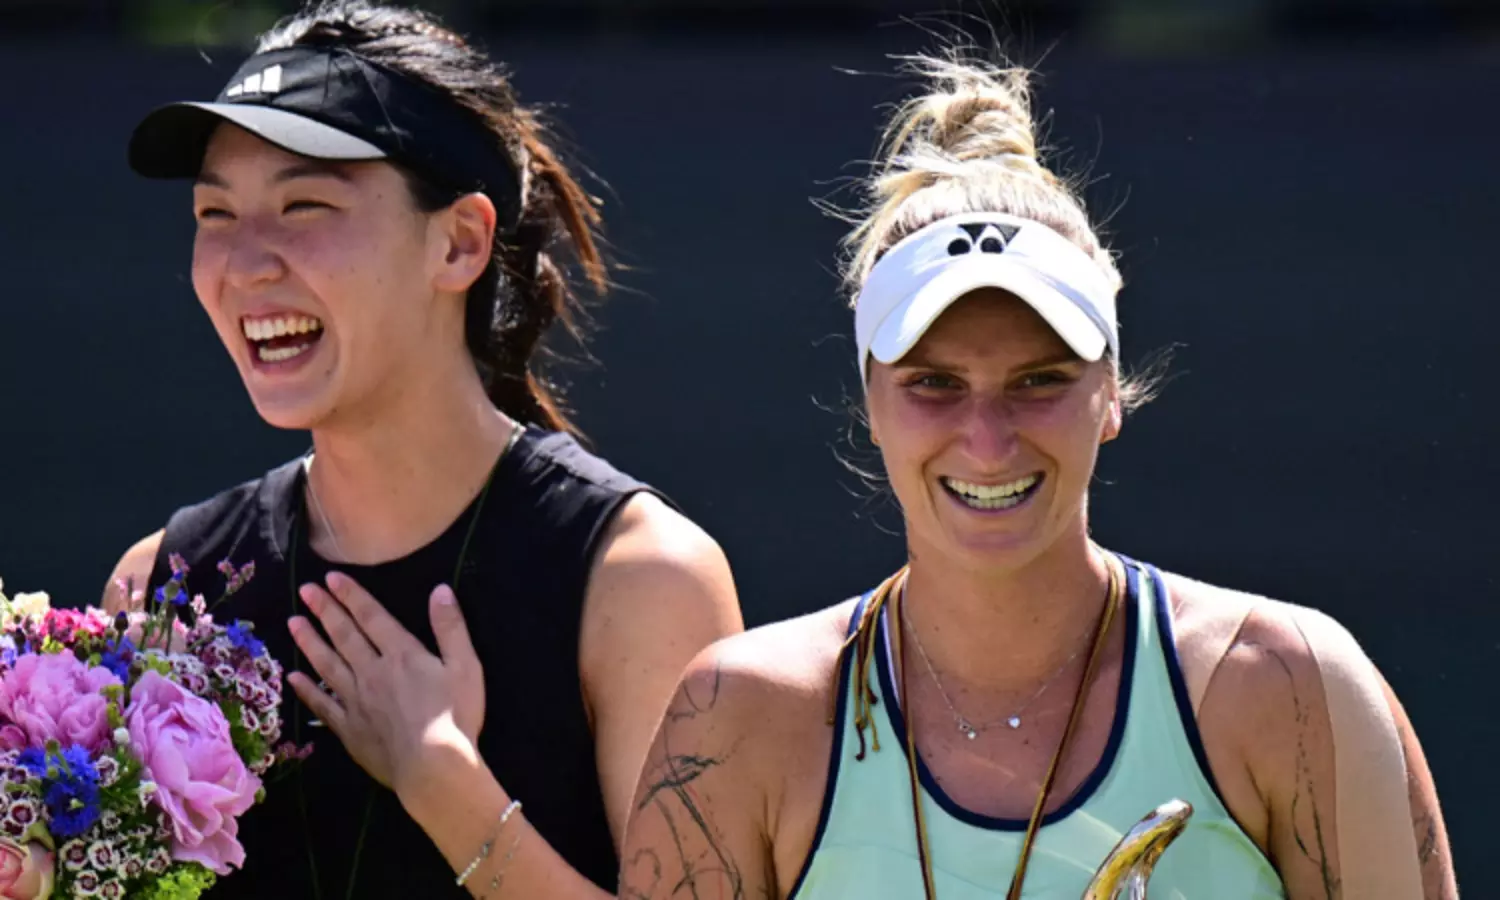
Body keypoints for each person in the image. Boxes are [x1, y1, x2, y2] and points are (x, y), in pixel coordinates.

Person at [617, 50, 1458, 900]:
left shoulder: (1293, 687)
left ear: (1112, 396)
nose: (988, 442)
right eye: (934, 384)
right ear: (869, 405)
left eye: (1039, 381)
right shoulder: (737, 719)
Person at [103, 2, 743, 897]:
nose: (245, 264)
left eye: (304, 205)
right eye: (216, 213)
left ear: (460, 242)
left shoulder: (645, 581)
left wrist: (442, 781)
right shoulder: (160, 586)